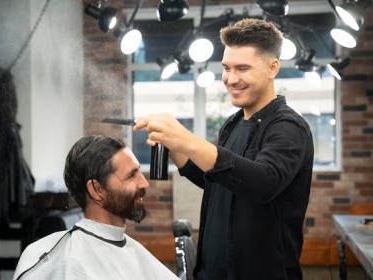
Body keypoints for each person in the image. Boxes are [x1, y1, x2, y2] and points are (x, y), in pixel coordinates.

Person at [134, 18, 314, 280]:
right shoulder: (233, 123)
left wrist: (187, 140)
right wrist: (174, 146)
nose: (231, 79)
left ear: (272, 68)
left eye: (242, 68)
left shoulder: (288, 126)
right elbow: (218, 181)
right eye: (227, 68)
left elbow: (264, 182)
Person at [13, 135, 179, 280]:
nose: (144, 183)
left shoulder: (131, 248)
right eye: (131, 176)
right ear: (97, 189)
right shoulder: (59, 258)